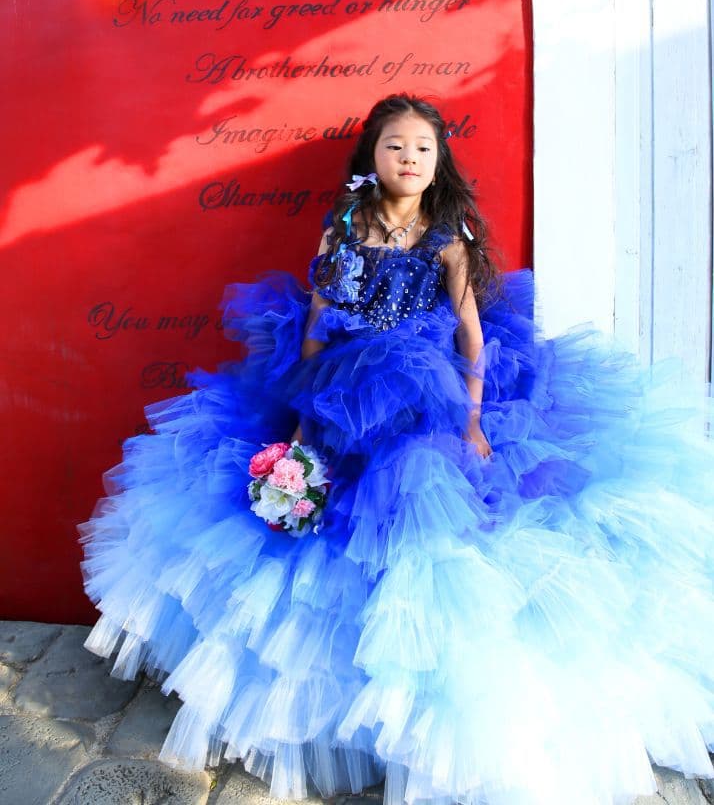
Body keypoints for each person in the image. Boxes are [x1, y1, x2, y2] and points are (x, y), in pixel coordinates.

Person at [79, 94, 714, 805]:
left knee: (419, 508)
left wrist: (473, 420)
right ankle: (342, 701)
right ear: (371, 158)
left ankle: (421, 688)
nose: (409, 158)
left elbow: (471, 332)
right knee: (331, 522)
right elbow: (318, 324)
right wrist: (304, 415)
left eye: (422, 148)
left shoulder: (447, 238)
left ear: (439, 163)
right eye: (395, 146)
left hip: (429, 393)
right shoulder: (345, 230)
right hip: (345, 388)